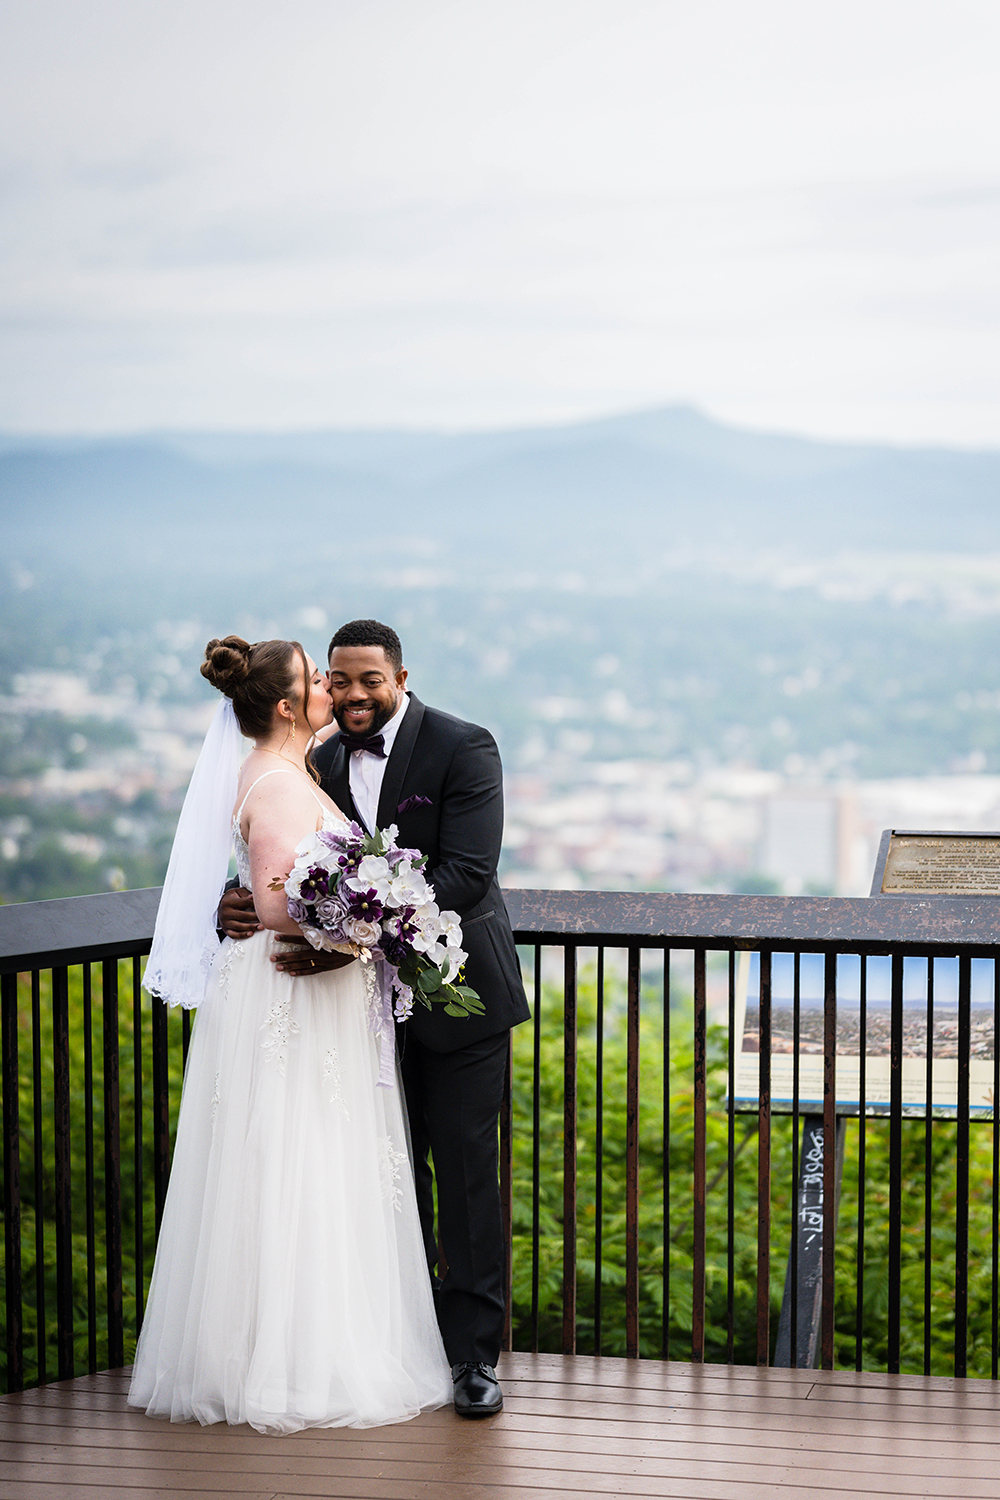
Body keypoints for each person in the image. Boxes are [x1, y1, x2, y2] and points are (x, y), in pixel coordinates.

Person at [128, 636, 452, 1434]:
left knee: (314, 1161)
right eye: (316, 680)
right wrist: (369, 928)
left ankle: (304, 1348)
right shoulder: (276, 782)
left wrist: (366, 921)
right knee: (293, 1160)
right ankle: (289, 1366)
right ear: (285, 705)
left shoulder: (297, 771)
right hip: (290, 994)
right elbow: (277, 905)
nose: (329, 692)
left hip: (309, 995)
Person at [219, 619, 530, 1418]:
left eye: (368, 680)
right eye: (338, 680)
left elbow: (464, 874)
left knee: (464, 1175)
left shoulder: (465, 747)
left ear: (399, 675)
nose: (353, 696)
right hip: (356, 1017)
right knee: (387, 1179)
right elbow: (287, 866)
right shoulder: (312, 758)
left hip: (459, 1002)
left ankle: (473, 1360)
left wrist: (350, 937)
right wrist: (250, 905)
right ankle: (406, 1345)